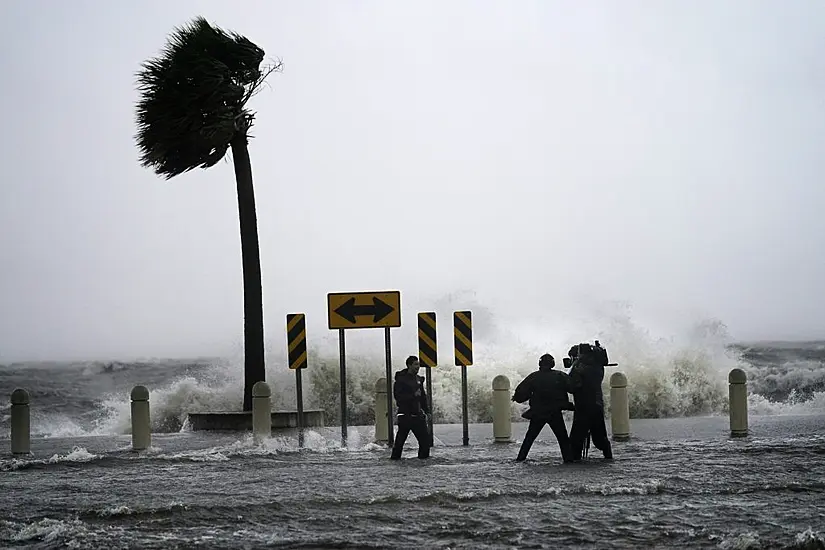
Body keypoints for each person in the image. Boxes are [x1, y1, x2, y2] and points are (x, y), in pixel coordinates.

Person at [512, 353, 575, 462]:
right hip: (554, 412)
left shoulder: (534, 376)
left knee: (529, 439)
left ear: (540, 364)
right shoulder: (560, 375)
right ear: (552, 364)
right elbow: (573, 388)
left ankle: (520, 459)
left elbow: (520, 395)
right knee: (563, 439)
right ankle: (568, 460)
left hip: (537, 412)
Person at [567, 342, 613, 460]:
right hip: (597, 406)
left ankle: (575, 460)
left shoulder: (579, 367)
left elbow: (572, 386)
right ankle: (608, 456)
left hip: (583, 407)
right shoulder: (598, 366)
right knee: (600, 437)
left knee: (576, 440)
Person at [390, 355, 431, 460]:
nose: (418, 367)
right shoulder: (401, 380)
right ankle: (395, 461)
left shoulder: (418, 380)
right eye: (415, 364)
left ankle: (423, 461)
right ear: (409, 365)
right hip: (405, 416)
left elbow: (422, 397)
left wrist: (427, 411)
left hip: (418, 415)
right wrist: (413, 395)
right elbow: (398, 397)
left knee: (425, 441)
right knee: (400, 442)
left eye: (419, 365)